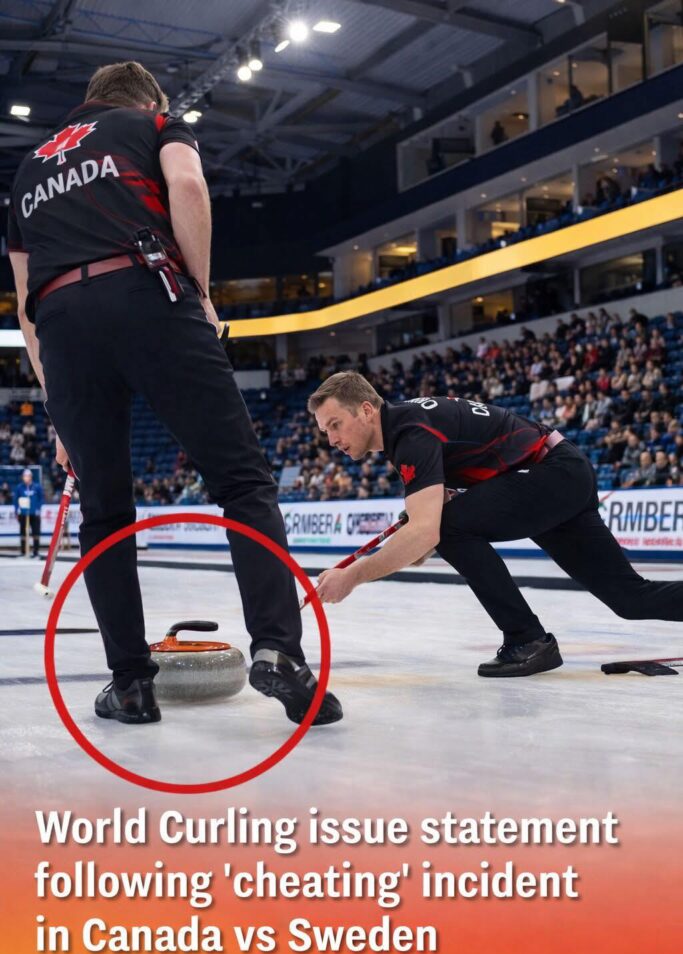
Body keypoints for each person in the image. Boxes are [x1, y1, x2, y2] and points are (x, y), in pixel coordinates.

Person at [8, 61, 341, 728]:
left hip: (62, 323)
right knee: (243, 483)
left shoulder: (26, 173)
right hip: (147, 288)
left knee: (104, 514)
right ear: (145, 100)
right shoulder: (155, 124)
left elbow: (23, 306)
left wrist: (58, 412)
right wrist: (201, 293)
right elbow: (187, 185)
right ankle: (278, 650)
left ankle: (131, 684)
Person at [307, 372, 683, 677]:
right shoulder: (408, 426)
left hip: (550, 473)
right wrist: (420, 535)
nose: (332, 439)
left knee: (449, 528)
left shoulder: (410, 434)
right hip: (561, 472)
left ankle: (527, 638)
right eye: (326, 432)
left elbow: (427, 532)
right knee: (629, 598)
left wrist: (352, 576)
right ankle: (527, 637)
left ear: (367, 410)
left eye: (335, 425)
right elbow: (424, 534)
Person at [13, 467, 43, 557]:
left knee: (36, 533)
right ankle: (23, 552)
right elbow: (15, 500)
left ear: (31, 477)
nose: (26, 478)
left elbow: (41, 499)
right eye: (24, 476)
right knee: (23, 533)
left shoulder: (37, 487)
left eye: (27, 476)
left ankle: (36, 552)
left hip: (34, 514)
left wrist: (38, 508)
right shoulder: (19, 487)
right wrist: (16, 510)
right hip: (23, 514)